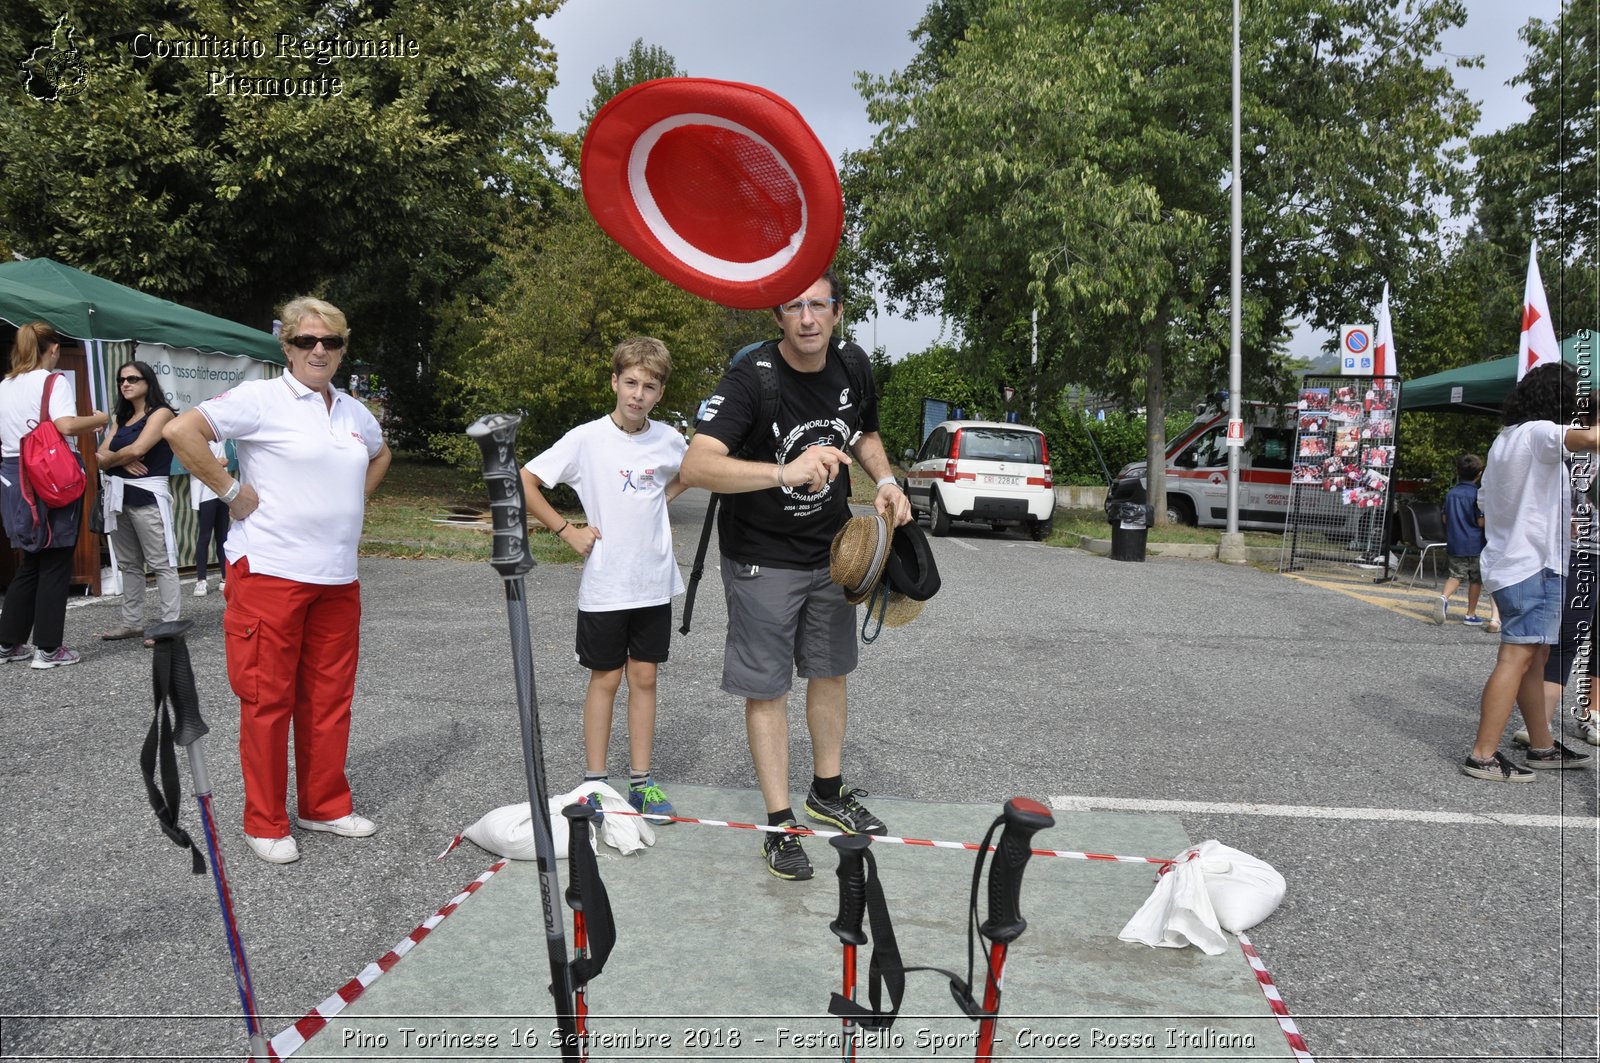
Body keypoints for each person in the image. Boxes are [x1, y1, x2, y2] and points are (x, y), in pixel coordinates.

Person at [679, 269, 911, 880]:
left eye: (819, 305)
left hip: (831, 553)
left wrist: (884, 479)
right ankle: (781, 823)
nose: (807, 318)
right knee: (769, 688)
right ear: (777, 316)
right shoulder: (751, 378)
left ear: (837, 313)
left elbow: (863, 429)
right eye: (794, 307)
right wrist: (786, 472)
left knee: (831, 671)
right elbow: (699, 464)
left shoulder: (854, 365)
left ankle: (827, 793)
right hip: (761, 556)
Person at [163, 297, 392, 863]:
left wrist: (353, 501)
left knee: (329, 698)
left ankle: (323, 805)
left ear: (341, 350)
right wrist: (229, 490)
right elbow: (181, 431)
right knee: (268, 700)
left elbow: (381, 455)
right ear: (286, 346)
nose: (319, 350)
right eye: (307, 341)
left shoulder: (354, 412)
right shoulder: (262, 398)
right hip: (270, 571)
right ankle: (264, 820)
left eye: (331, 342)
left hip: (337, 577)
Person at [519, 337, 689, 821]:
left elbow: (691, 472)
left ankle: (642, 783)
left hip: (653, 580)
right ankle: (593, 784)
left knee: (645, 677)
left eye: (649, 386)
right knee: (606, 678)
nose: (638, 394)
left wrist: (661, 497)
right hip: (606, 583)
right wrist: (566, 530)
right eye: (630, 382)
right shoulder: (586, 438)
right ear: (615, 382)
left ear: (660, 393)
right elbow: (525, 481)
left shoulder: (670, 440)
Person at [1463, 363, 1598, 782]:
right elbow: (1593, 439)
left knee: (1535, 657)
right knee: (1516, 657)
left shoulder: (1505, 440)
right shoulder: (1540, 433)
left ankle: (1541, 746)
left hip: (1514, 562)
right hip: (1533, 567)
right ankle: (1482, 755)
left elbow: (1486, 505)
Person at [0, 323, 108, 668]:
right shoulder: (53, 381)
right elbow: (64, 425)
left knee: (31, 558)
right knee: (57, 558)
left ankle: (8, 643)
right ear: (54, 349)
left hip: (13, 474)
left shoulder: (5, 385)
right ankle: (48, 649)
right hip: (49, 474)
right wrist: (97, 418)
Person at [96, 360, 180, 643]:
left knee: (162, 562)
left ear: (148, 382)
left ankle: (170, 625)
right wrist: (123, 461)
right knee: (129, 564)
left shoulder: (161, 413)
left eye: (133, 379)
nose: (126, 384)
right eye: (122, 380)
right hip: (120, 497)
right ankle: (132, 622)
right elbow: (99, 455)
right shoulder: (122, 417)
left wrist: (115, 460)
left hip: (148, 497)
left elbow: (140, 448)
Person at [1436, 453, 1500, 630]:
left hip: (1455, 542)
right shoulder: (1477, 495)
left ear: (1458, 471)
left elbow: (1445, 519)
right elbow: (1480, 522)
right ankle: (1470, 614)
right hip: (1475, 544)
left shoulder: (1451, 494)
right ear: (1480, 473)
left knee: (1455, 575)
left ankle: (1443, 598)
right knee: (1475, 580)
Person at [189, 436, 236, 596]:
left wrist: (219, 463)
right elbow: (192, 465)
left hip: (222, 492)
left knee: (223, 537)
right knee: (204, 536)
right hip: (204, 494)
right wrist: (218, 463)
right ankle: (201, 580)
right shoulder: (193, 441)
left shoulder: (219, 440)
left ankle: (225, 577)